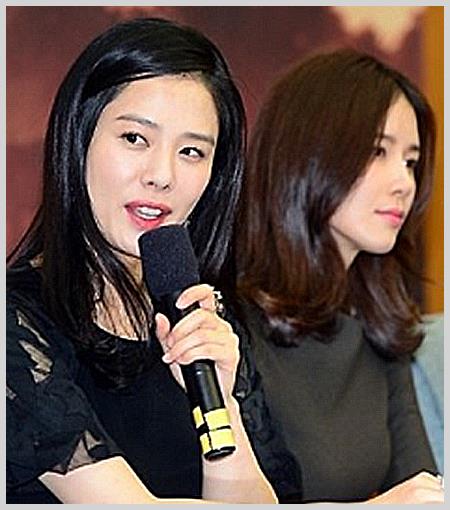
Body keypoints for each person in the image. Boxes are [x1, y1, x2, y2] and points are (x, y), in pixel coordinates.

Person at [6, 17, 277, 504]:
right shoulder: (14, 326)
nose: (162, 175)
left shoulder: (208, 327)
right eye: (135, 139)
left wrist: (224, 410)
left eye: (191, 151)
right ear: (78, 139)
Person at [235, 49, 444, 504]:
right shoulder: (225, 324)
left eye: (410, 162)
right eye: (378, 151)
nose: (404, 183)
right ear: (306, 153)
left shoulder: (380, 325)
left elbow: (422, 486)